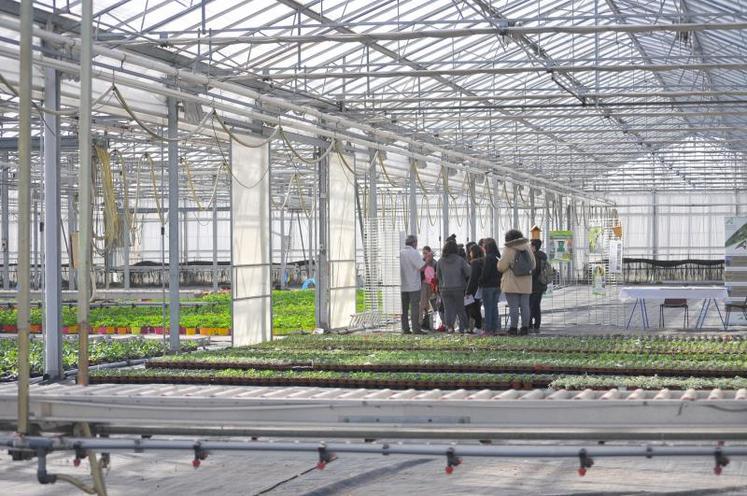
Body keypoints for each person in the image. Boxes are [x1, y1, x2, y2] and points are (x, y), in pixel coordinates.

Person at [497, 229, 536, 335]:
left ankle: (513, 328)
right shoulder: (527, 247)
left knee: (513, 306)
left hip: (511, 282)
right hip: (526, 282)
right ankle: (525, 328)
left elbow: (502, 267)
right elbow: (533, 265)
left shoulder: (508, 248)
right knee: (525, 306)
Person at [437, 239, 471, 333]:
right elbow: (469, 272)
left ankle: (450, 327)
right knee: (461, 309)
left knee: (448, 310)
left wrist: (441, 286)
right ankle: (466, 327)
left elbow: (438, 276)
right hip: (458, 288)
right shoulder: (460, 260)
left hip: (445, 289)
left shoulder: (440, 261)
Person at [399, 234, 425, 334]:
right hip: (413, 286)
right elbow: (421, 267)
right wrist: (428, 260)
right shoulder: (414, 253)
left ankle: (405, 328)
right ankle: (416, 329)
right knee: (414, 308)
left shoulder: (400, 252)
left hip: (402, 285)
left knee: (404, 309)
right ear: (414, 243)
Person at [479, 238, 501, 336]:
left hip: (488, 286)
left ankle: (488, 329)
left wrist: (480, 282)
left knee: (488, 308)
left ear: (487, 247)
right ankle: (495, 328)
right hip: (497, 285)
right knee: (494, 307)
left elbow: (486, 273)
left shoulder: (488, 258)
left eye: (484, 246)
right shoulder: (498, 256)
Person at [530, 239, 549, 333]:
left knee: (530, 305)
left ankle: (529, 324)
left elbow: (533, 272)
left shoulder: (534, 257)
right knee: (537, 305)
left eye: (531, 245)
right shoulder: (543, 256)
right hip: (541, 284)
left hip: (534, 285)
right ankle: (537, 324)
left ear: (534, 247)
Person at [465, 244, 484, 333]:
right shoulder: (483, 261)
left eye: (471, 252)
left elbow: (472, 278)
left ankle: (475, 325)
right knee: (477, 307)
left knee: (471, 308)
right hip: (479, 288)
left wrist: (467, 291)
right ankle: (478, 325)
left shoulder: (474, 263)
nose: (469, 253)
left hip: (473, 289)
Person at [419, 246, 438, 331]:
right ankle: (420, 323)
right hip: (424, 284)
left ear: (430, 253)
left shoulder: (434, 262)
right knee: (423, 303)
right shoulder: (422, 262)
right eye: (423, 253)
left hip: (432, 285)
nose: (425, 255)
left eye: (426, 253)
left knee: (433, 304)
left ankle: (430, 322)